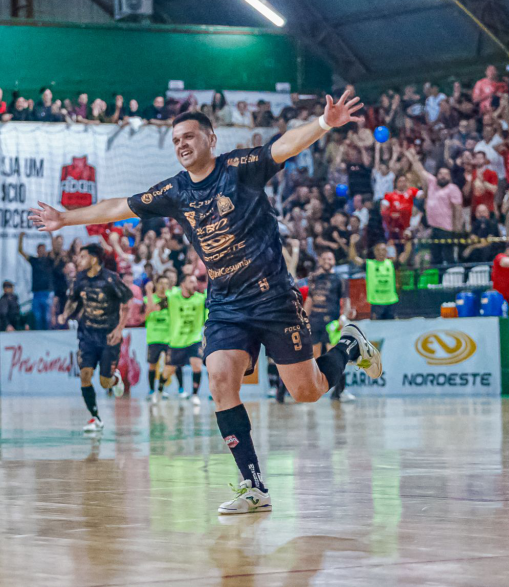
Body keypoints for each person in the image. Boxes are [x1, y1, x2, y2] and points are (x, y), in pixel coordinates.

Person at [29, 95, 383, 515]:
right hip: (227, 305)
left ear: (211, 140)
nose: (182, 144)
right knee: (219, 379)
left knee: (307, 392)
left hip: (273, 298)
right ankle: (254, 485)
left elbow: (284, 146)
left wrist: (323, 123)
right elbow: (119, 206)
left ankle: (350, 346)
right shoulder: (175, 191)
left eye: (189, 136)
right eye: (176, 140)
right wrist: (66, 218)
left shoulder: (239, 168)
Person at [58, 243, 129, 431]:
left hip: (108, 337)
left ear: (94, 259)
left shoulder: (111, 279)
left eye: (82, 256)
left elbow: (125, 305)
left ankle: (114, 380)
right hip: (87, 335)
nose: (78, 260)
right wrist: (65, 314)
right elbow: (72, 301)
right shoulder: (79, 280)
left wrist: (119, 329)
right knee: (85, 375)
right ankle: (95, 417)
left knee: (104, 382)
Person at [304, 251, 354, 403]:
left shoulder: (340, 279)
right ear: (320, 260)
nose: (327, 261)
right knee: (314, 358)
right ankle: (311, 391)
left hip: (332, 324)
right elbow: (309, 300)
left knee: (335, 357)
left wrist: (343, 317)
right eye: (324, 258)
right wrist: (303, 319)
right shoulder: (314, 279)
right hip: (315, 322)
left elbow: (346, 300)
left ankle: (340, 391)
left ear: (334, 261)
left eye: (330, 259)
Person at [150, 273, 207, 404]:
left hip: (194, 339)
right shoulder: (172, 298)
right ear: (183, 284)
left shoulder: (201, 299)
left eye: (195, 282)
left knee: (197, 365)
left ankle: (194, 395)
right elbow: (155, 308)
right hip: (176, 342)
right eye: (191, 282)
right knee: (168, 370)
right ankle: (159, 389)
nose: (195, 285)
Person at [406, 147, 463, 265]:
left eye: (446, 174)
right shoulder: (432, 183)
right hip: (433, 227)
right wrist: (414, 159)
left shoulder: (453, 189)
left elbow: (457, 209)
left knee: (448, 256)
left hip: (447, 229)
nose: (442, 176)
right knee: (435, 257)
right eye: (440, 174)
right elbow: (421, 171)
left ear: (450, 177)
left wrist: (457, 227)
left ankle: (450, 275)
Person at [17, 232, 55, 330]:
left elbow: (55, 249)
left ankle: (48, 336)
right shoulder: (34, 260)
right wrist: (20, 238)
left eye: (43, 249)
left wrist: (51, 236)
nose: (41, 251)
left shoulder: (49, 260)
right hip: (36, 293)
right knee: (37, 317)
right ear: (37, 251)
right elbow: (20, 251)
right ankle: (39, 336)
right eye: (39, 250)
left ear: (46, 251)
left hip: (47, 293)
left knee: (47, 318)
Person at [142, 275, 172, 398]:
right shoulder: (147, 299)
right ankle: (151, 390)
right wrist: (149, 292)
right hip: (153, 337)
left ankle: (161, 388)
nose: (163, 286)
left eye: (166, 283)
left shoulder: (172, 298)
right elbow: (147, 315)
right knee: (152, 365)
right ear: (156, 284)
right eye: (161, 283)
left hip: (169, 337)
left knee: (170, 364)